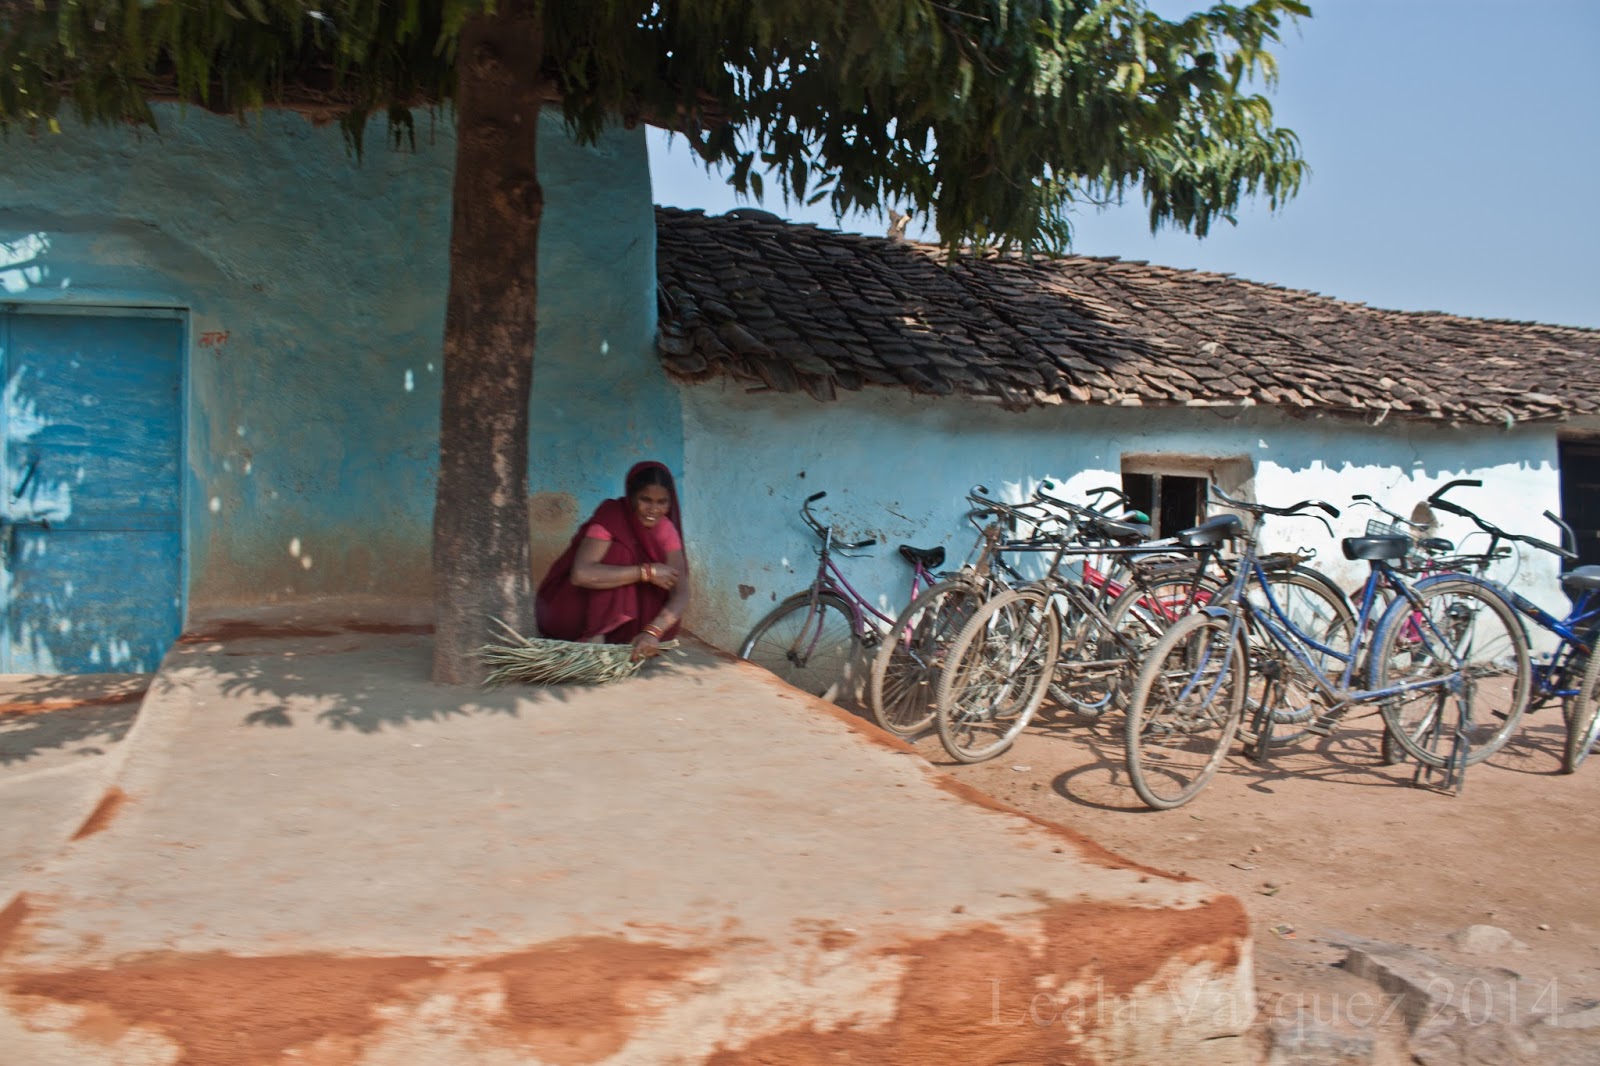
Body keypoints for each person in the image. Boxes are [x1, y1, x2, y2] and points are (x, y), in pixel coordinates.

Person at [535, 461, 689, 660]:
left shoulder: (666, 529)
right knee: (621, 552)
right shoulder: (611, 517)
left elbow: (681, 591)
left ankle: (630, 638)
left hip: (638, 628)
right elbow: (581, 575)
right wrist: (646, 572)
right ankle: (596, 636)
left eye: (662, 502)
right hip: (577, 617)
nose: (653, 509)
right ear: (632, 496)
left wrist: (654, 631)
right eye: (645, 500)